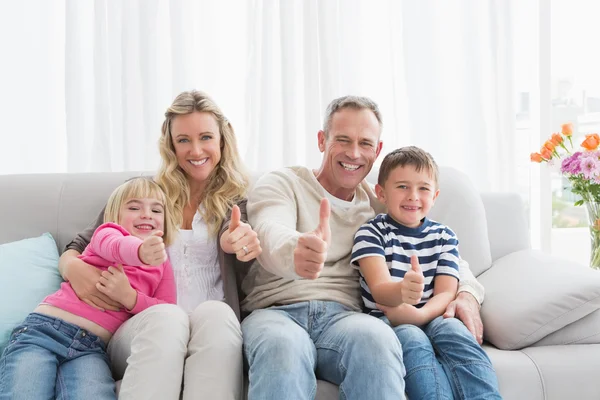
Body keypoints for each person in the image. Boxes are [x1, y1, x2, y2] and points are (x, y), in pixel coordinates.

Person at [241, 95, 488, 399]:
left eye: (365, 144)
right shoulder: (282, 182)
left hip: (343, 318)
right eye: (343, 140)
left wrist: (467, 292)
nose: (354, 153)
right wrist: (297, 249)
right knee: (282, 348)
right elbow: (269, 230)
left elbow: (437, 248)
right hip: (276, 312)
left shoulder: (378, 202)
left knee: (378, 339)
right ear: (322, 140)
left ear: (378, 150)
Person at [57, 90, 261, 400]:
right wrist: (73, 268)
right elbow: (81, 244)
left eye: (206, 137)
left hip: (213, 331)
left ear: (222, 139)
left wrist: (242, 246)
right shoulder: (145, 197)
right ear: (170, 144)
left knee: (217, 314)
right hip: (143, 327)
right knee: (168, 318)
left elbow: (250, 257)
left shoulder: (238, 204)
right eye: (183, 140)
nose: (195, 150)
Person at [0, 178, 177, 399]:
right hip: (43, 331)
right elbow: (117, 247)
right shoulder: (107, 234)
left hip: (91, 349)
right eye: (134, 207)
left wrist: (131, 298)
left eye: (156, 210)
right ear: (114, 216)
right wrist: (141, 252)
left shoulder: (163, 264)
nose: (147, 214)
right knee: (25, 392)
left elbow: (167, 308)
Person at [351, 146, 501, 399]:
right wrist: (402, 293)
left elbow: (446, 292)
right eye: (402, 187)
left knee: (456, 334)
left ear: (435, 195)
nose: (413, 196)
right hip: (390, 319)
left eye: (423, 188)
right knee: (413, 342)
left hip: (432, 313)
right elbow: (379, 289)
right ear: (381, 193)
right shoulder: (371, 233)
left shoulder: (444, 236)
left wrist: (420, 315)